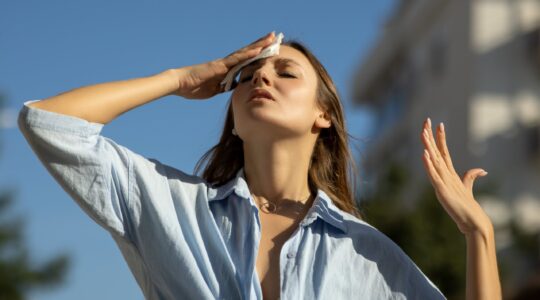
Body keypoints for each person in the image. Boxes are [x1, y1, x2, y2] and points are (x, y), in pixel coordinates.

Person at [18, 31, 501, 299]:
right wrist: (178, 78)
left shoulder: (366, 253)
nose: (261, 77)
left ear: (324, 116)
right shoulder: (171, 206)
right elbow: (47, 122)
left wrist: (479, 236)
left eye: (284, 72)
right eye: (248, 75)